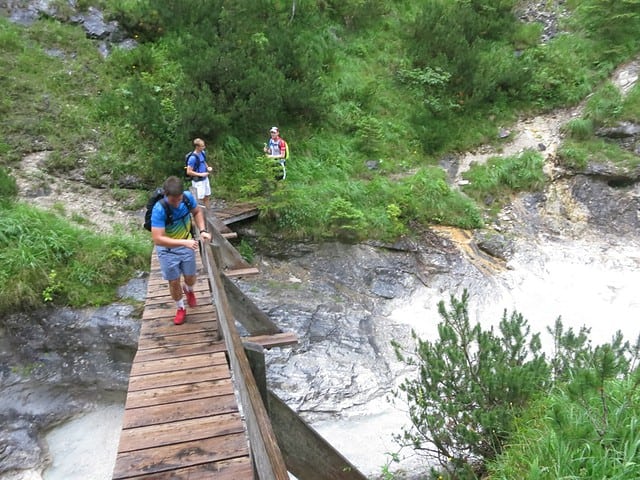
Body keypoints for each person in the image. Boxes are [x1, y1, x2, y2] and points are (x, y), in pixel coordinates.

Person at [150, 176, 212, 325]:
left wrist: (202, 230)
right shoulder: (159, 209)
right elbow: (157, 238)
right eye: (173, 201)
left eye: (179, 199)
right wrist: (183, 242)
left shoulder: (187, 198)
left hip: (186, 245)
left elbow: (197, 212)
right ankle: (180, 308)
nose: (177, 204)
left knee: (191, 277)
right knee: (174, 281)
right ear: (166, 195)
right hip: (167, 250)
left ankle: (189, 289)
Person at [186, 137, 213, 209]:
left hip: (205, 178)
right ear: (197, 147)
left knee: (207, 196)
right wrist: (201, 174)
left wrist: (207, 167)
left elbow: (203, 161)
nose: (204, 147)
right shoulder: (192, 158)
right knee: (199, 200)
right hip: (198, 181)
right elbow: (188, 171)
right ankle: (199, 216)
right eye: (202, 146)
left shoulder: (202, 153)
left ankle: (208, 213)